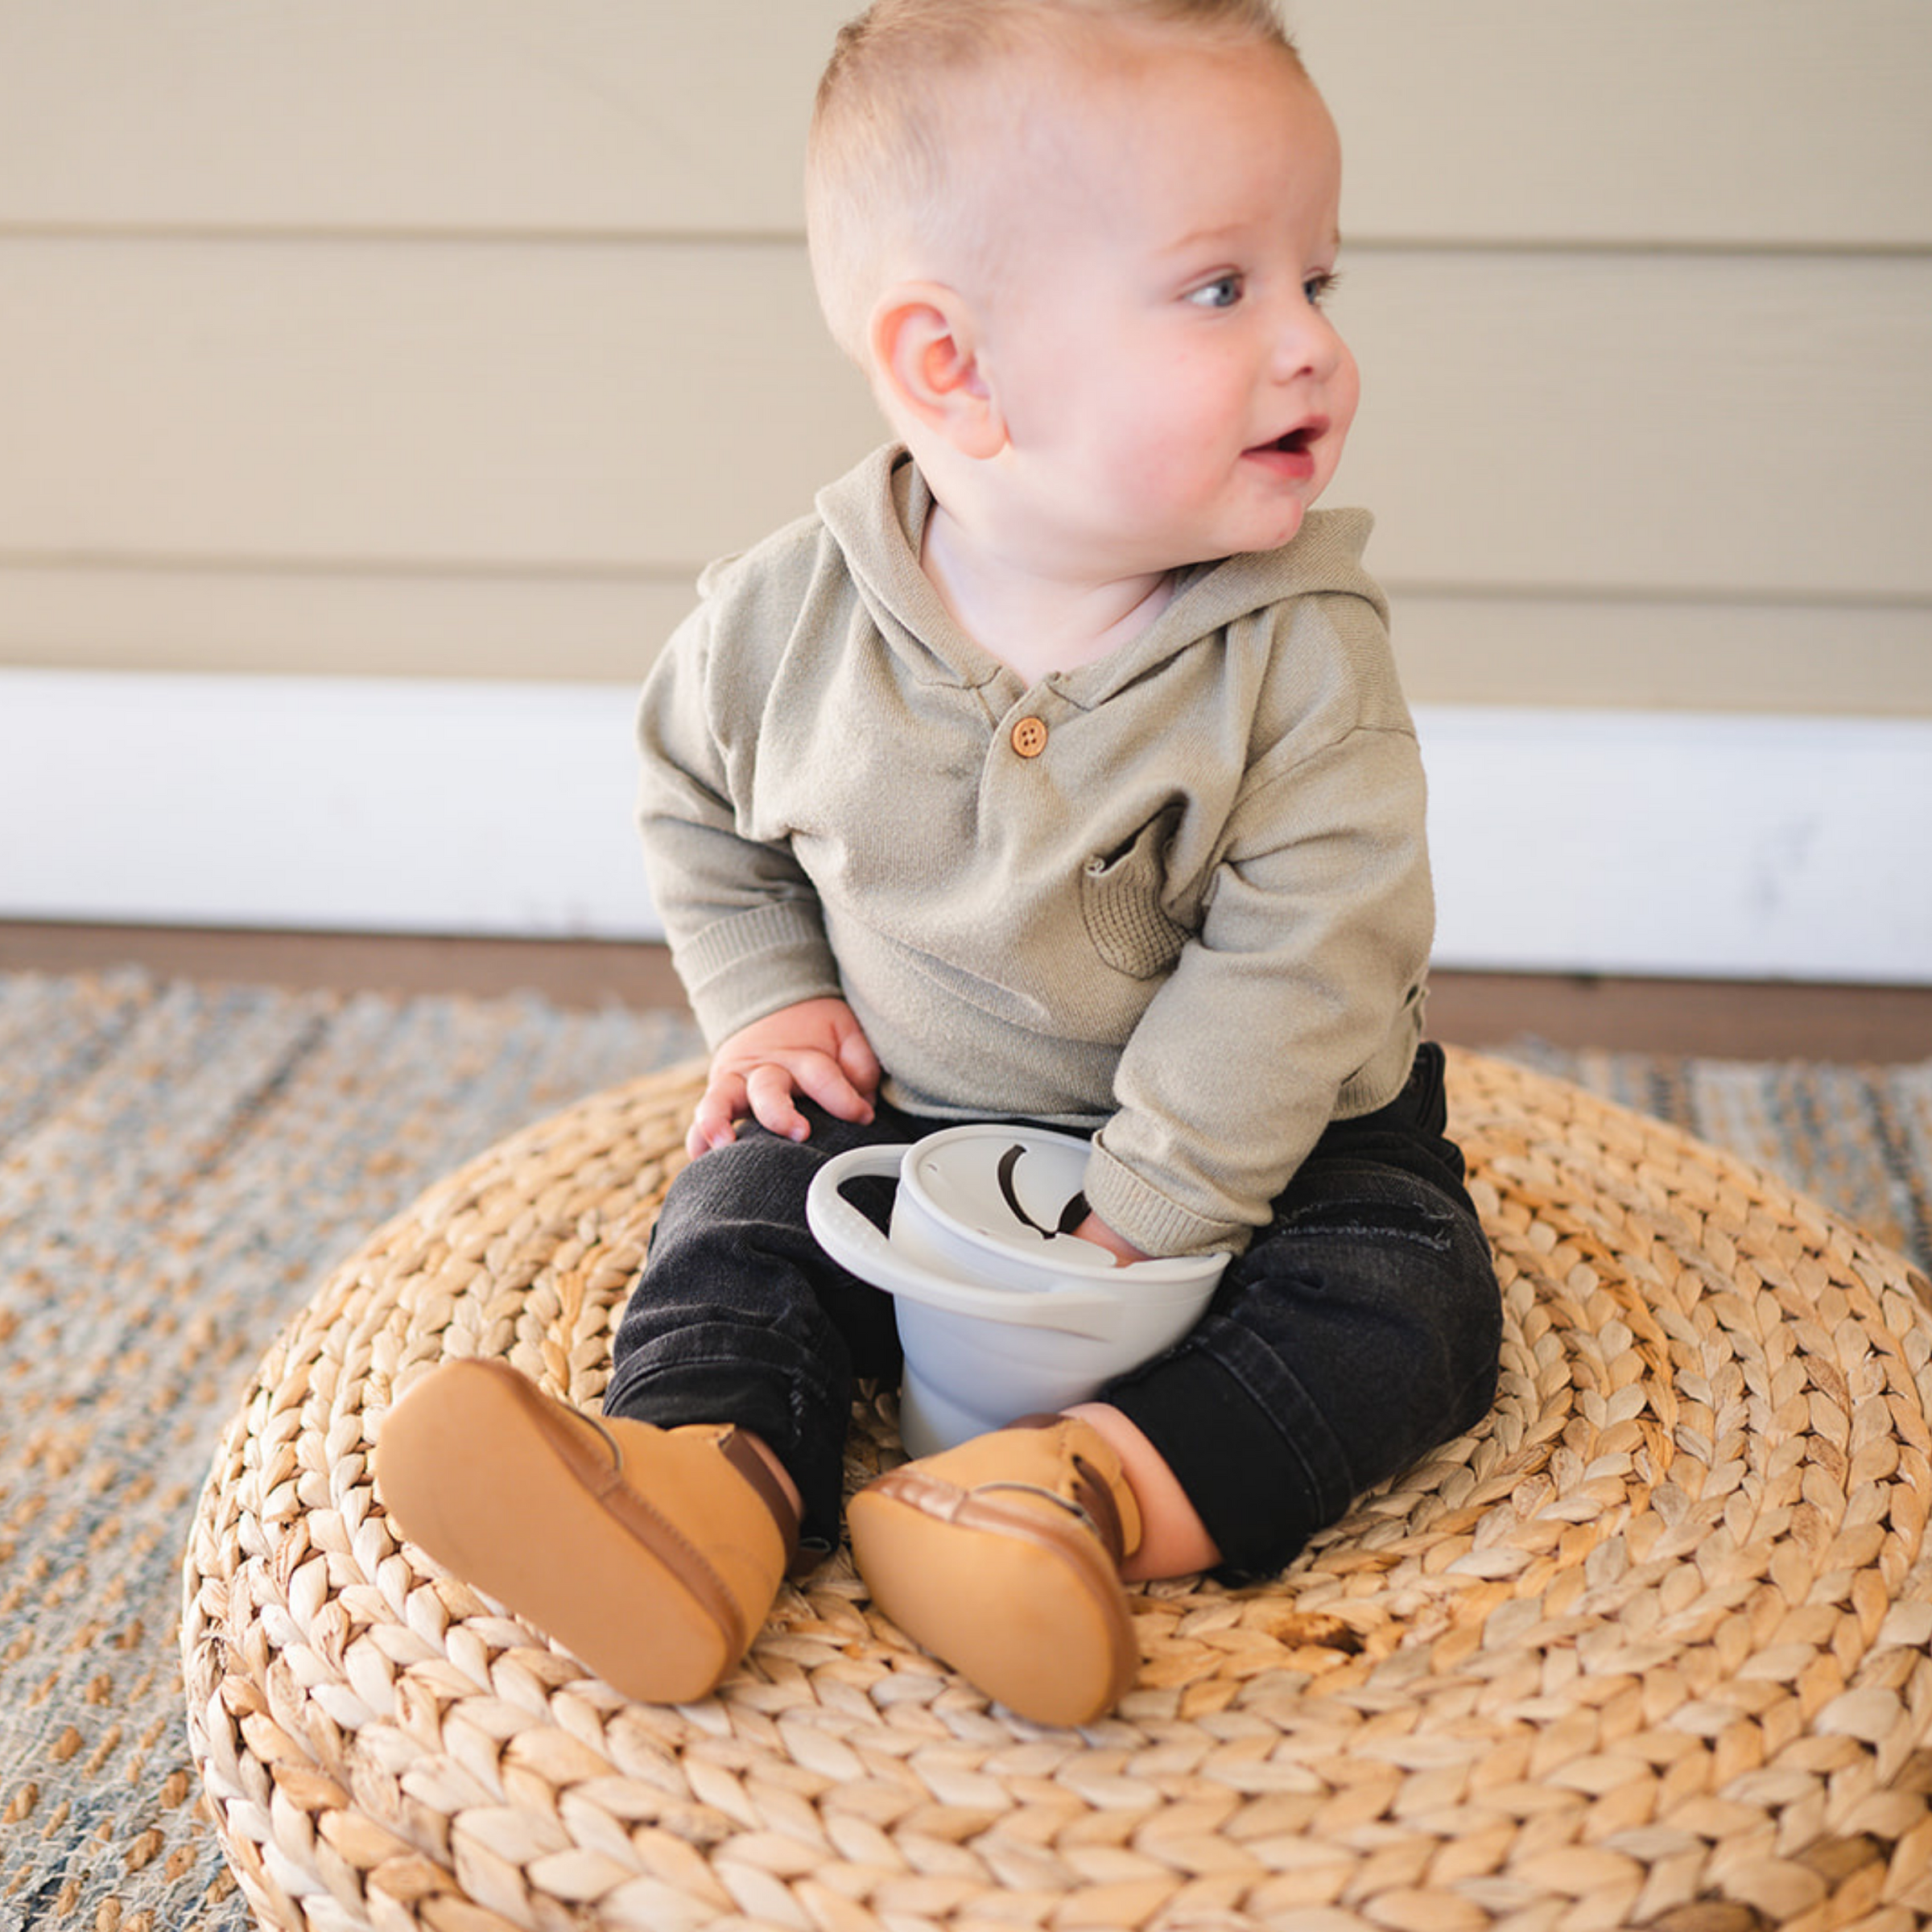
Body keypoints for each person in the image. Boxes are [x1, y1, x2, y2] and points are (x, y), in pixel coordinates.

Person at [377, 0, 1502, 1729]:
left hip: (1273, 1147)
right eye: (1224, 289)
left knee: (1404, 1303)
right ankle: (701, 1488)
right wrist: (771, 1006)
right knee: (748, 1208)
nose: (1310, 349)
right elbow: (692, 796)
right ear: (953, 368)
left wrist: (1160, 1202)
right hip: (912, 1097)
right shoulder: (787, 618)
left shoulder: (1298, 659)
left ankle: (1078, 1493)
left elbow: (1314, 956)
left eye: (1316, 282)